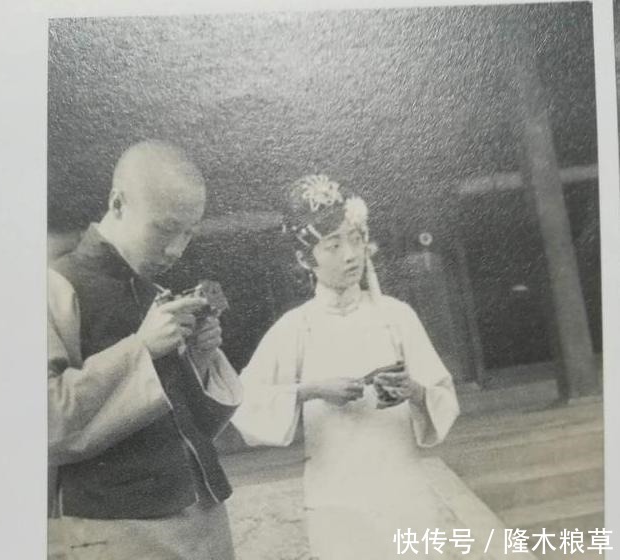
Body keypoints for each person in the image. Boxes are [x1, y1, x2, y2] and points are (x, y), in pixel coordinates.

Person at [232, 174, 460, 560]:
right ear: (305, 259)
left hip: (402, 489)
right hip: (335, 499)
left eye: (355, 240)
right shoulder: (296, 327)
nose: (350, 255)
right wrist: (311, 391)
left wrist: (414, 391)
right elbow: (244, 399)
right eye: (333, 246)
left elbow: (442, 393)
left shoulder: (396, 316)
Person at [48, 140, 242, 560]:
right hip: (114, 529)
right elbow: (42, 421)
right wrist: (142, 349)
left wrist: (199, 360)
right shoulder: (53, 286)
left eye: (188, 232)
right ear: (117, 203)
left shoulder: (156, 292)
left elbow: (193, 425)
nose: (175, 249)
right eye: (164, 229)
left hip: (204, 515)